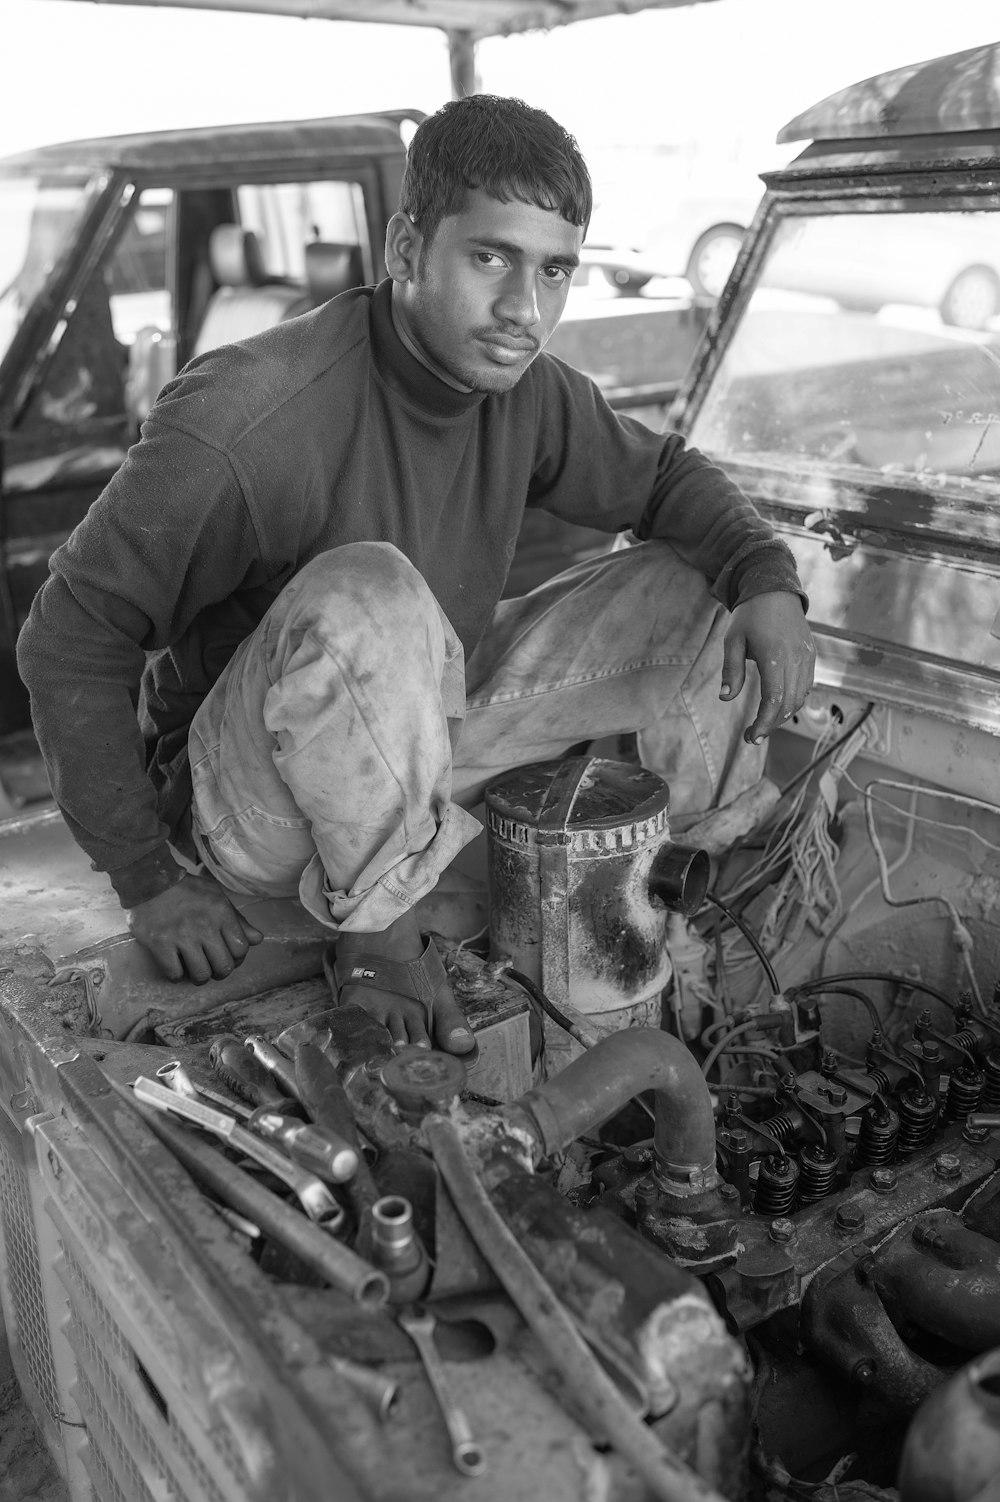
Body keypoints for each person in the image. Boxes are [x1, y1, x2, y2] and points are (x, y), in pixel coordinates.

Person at [17, 95, 815, 1057]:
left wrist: (766, 576)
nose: (526, 309)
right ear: (405, 249)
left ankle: (693, 869)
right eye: (491, 259)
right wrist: (147, 881)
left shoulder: (526, 390)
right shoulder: (247, 418)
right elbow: (68, 638)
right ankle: (377, 936)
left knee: (697, 578)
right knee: (373, 589)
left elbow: (667, 479)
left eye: (554, 270)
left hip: (411, 746)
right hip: (247, 810)